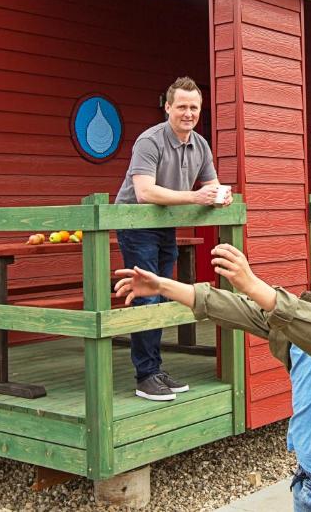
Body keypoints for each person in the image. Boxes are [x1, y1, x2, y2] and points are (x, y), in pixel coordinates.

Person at [114, 209, 311, 511]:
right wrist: (163, 285)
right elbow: (238, 308)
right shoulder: (305, 313)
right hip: (308, 479)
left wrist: (252, 284)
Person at [114, 76, 232, 402]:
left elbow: (213, 185)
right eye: (181, 106)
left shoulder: (201, 145)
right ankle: (146, 375)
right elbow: (144, 192)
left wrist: (222, 197)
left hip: (166, 224)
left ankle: (155, 368)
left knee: (164, 294)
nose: (188, 113)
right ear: (168, 107)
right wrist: (196, 198)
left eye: (194, 107)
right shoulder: (149, 141)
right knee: (148, 297)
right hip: (135, 224)